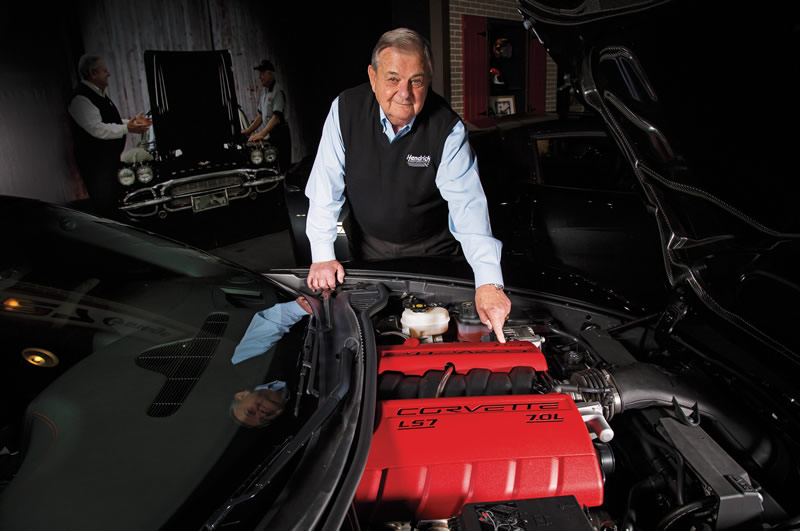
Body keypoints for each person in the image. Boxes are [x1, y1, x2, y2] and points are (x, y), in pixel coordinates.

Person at [304, 28, 512, 341]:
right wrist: (322, 255)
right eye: (393, 79)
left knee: (438, 335)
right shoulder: (345, 110)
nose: (405, 93)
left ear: (429, 80)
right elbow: (325, 188)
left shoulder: (447, 128)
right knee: (376, 334)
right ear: (373, 77)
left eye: (416, 81)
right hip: (370, 248)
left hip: (434, 253)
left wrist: (488, 282)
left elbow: (468, 206)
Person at [67, 55, 151, 215]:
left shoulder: (99, 95)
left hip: (108, 162)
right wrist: (128, 128)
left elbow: (111, 121)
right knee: (106, 205)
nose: (109, 74)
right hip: (96, 166)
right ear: (93, 73)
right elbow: (97, 129)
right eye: (104, 71)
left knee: (116, 200)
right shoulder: (80, 99)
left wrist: (133, 123)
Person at [230, 296, 312, 427]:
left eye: (250, 411)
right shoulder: (307, 405)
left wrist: (302, 308)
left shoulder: (244, 362)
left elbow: (272, 322)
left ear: (242, 395)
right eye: (264, 420)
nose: (261, 414)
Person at [242, 59, 292, 172]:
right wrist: (248, 131)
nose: (260, 77)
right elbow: (261, 116)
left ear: (270, 73)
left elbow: (276, 117)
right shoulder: (264, 92)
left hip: (280, 133)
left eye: (262, 74)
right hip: (272, 133)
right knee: (272, 164)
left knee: (283, 166)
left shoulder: (277, 91)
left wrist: (262, 133)